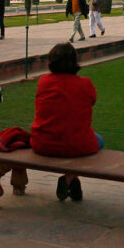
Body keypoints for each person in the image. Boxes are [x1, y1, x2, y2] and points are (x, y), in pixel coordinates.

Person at [30, 43, 102, 202]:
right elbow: (91, 101)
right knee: (98, 140)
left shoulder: (44, 82)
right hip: (78, 145)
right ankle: (70, 179)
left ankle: (72, 182)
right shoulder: (85, 84)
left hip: (43, 143)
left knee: (75, 137)